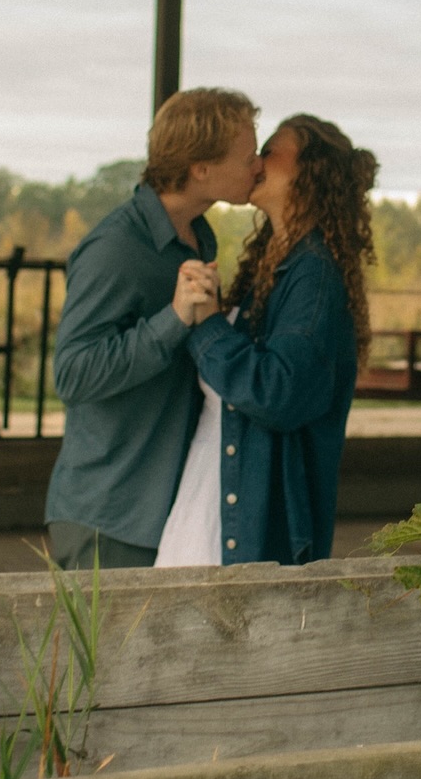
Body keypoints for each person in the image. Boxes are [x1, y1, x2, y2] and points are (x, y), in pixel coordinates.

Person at [45, 87, 262, 569]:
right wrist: (174, 319)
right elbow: (73, 375)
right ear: (200, 168)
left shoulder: (198, 236)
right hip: (111, 518)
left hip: (169, 512)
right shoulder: (115, 248)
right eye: (248, 156)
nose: (259, 166)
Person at [155, 114, 378, 568]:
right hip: (218, 492)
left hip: (251, 518)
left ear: (308, 173)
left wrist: (208, 323)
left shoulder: (312, 274)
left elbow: (277, 392)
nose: (256, 163)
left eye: (271, 151)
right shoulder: (276, 265)